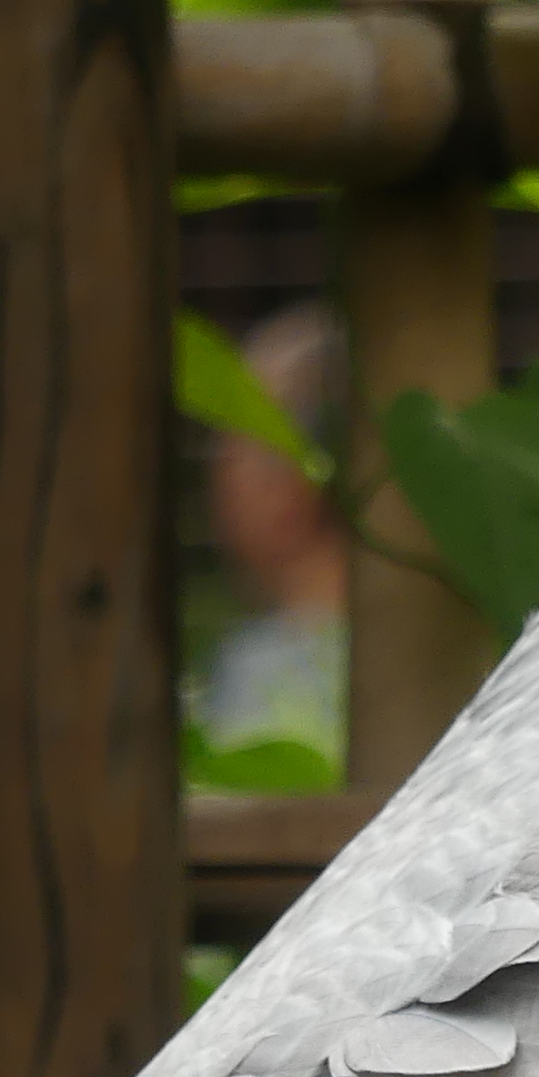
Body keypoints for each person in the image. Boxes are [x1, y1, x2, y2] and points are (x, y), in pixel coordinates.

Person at [195, 302, 348, 762]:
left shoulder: (260, 671)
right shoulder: (453, 653)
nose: (215, 476)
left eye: (232, 446)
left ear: (292, 478)